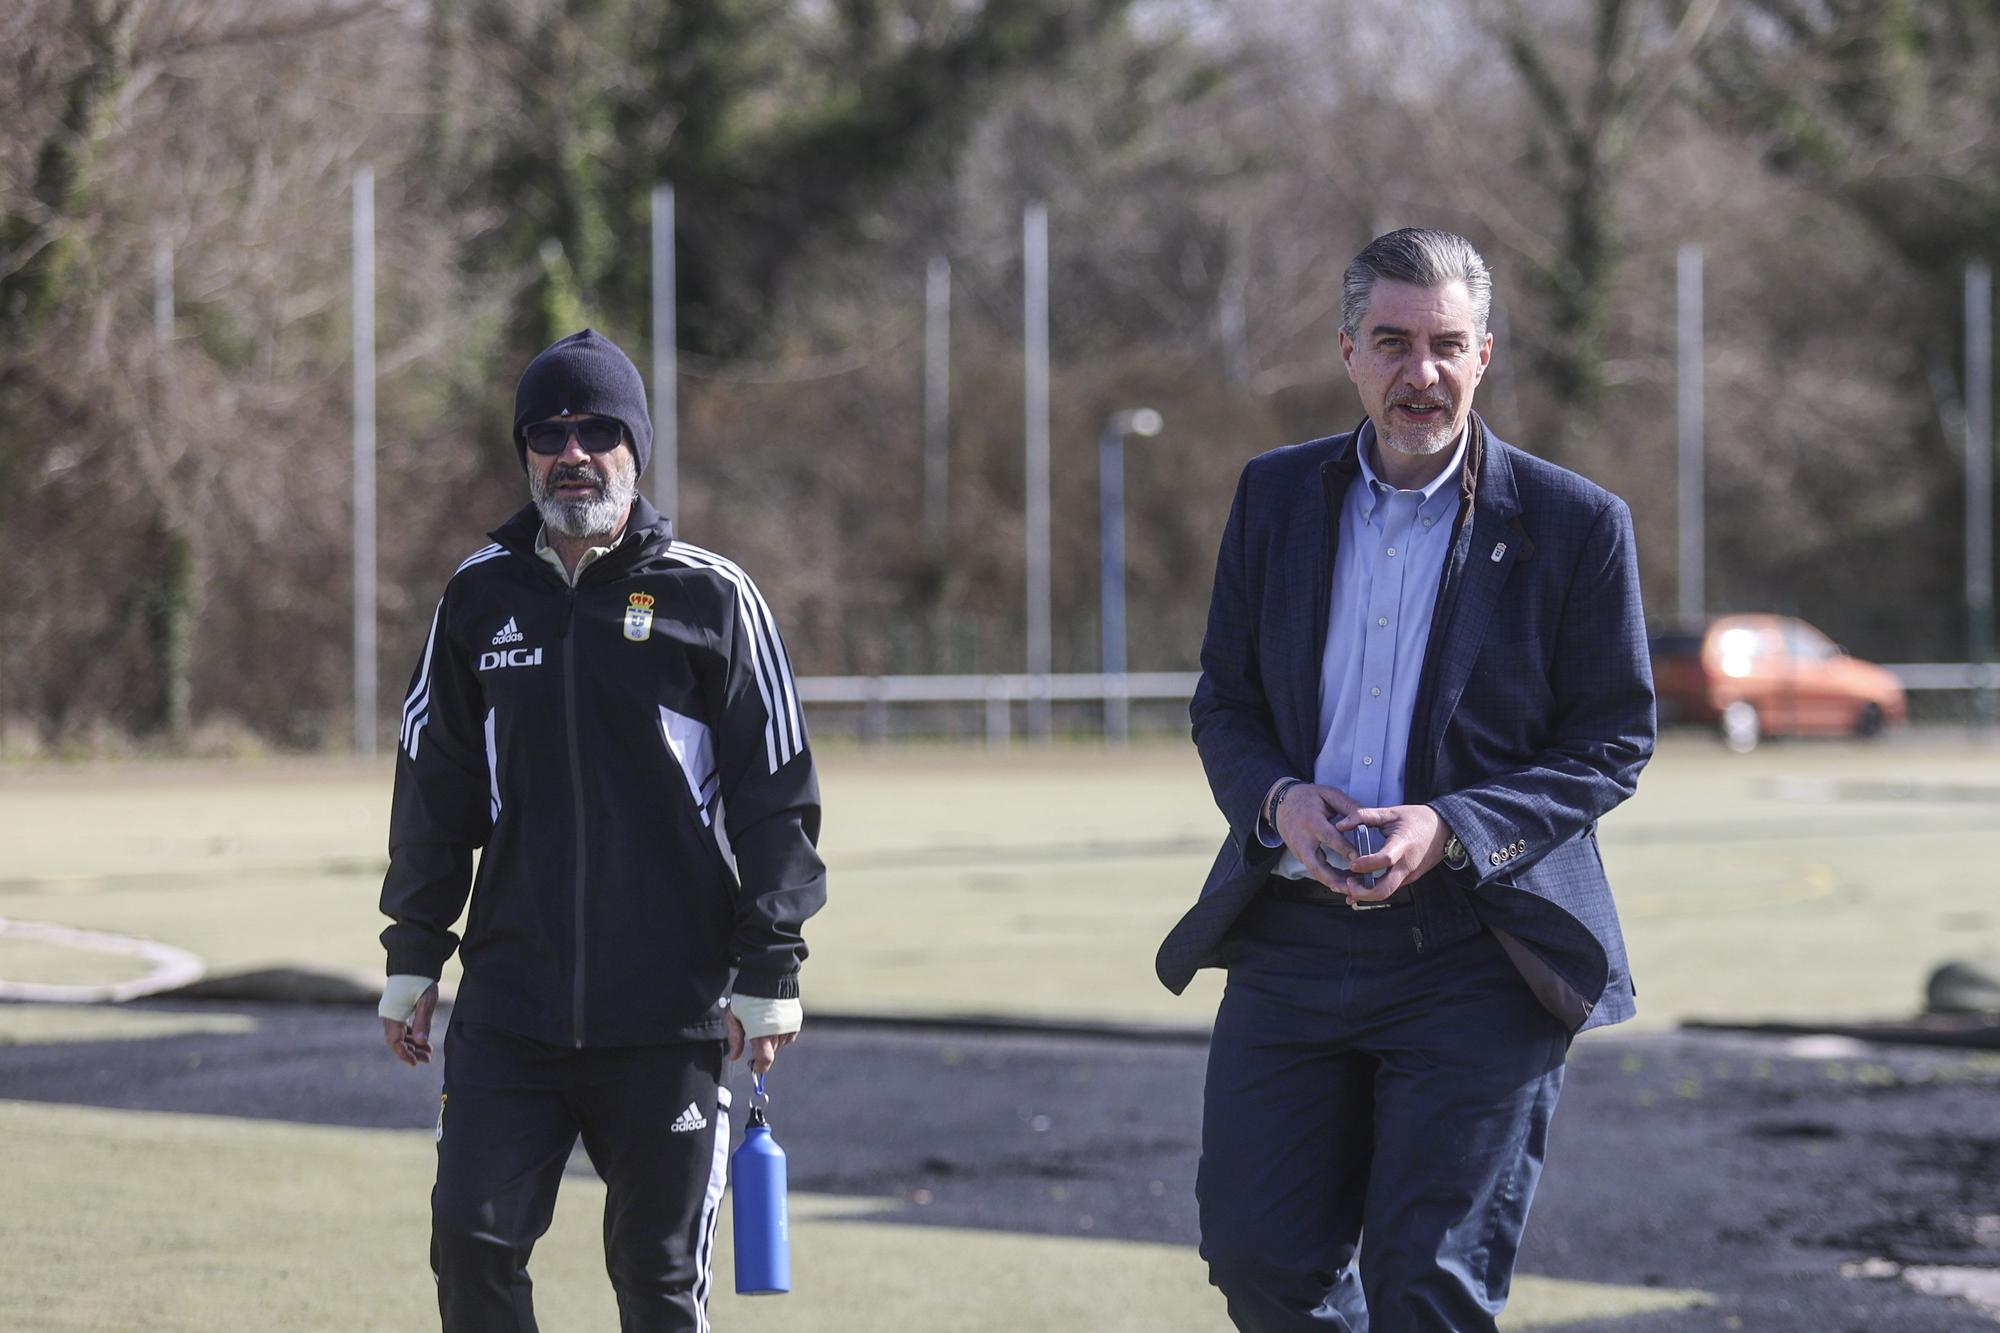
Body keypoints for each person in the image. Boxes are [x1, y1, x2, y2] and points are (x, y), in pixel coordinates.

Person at [1155, 229, 1655, 1331]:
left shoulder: (1575, 527)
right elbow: (1223, 703)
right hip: (1289, 940)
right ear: (1346, 351)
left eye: (1442, 344)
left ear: (1484, 355)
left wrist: (1449, 826)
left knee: (1427, 1285)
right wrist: (1279, 800)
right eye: (1390, 342)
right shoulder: (1273, 497)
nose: (1416, 373)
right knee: (1258, 1261)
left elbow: (1613, 738)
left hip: (1478, 953)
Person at [376, 328, 826, 1331]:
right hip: (510, 1008)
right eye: (548, 431)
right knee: (472, 1243)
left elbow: (776, 798)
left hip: (668, 1018)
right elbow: (434, 789)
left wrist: (771, 969)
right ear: (525, 451)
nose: (571, 451)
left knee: (656, 1284)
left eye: (596, 429)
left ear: (636, 446)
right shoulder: (475, 596)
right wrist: (414, 954)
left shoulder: (713, 597)